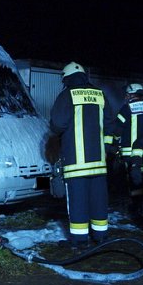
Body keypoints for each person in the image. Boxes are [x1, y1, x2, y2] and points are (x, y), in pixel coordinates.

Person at [49, 62, 117, 249]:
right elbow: (111, 126)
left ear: (66, 78)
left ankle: (79, 241)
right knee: (98, 200)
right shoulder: (100, 94)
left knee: (78, 202)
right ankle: (101, 236)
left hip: (76, 163)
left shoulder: (67, 95)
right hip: (99, 163)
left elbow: (57, 124)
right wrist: (108, 151)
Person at [115, 83, 143, 219]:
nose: (125, 96)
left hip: (131, 153)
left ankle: (136, 209)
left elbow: (117, 130)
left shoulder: (126, 109)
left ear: (131, 95)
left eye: (127, 94)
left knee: (135, 180)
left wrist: (114, 144)